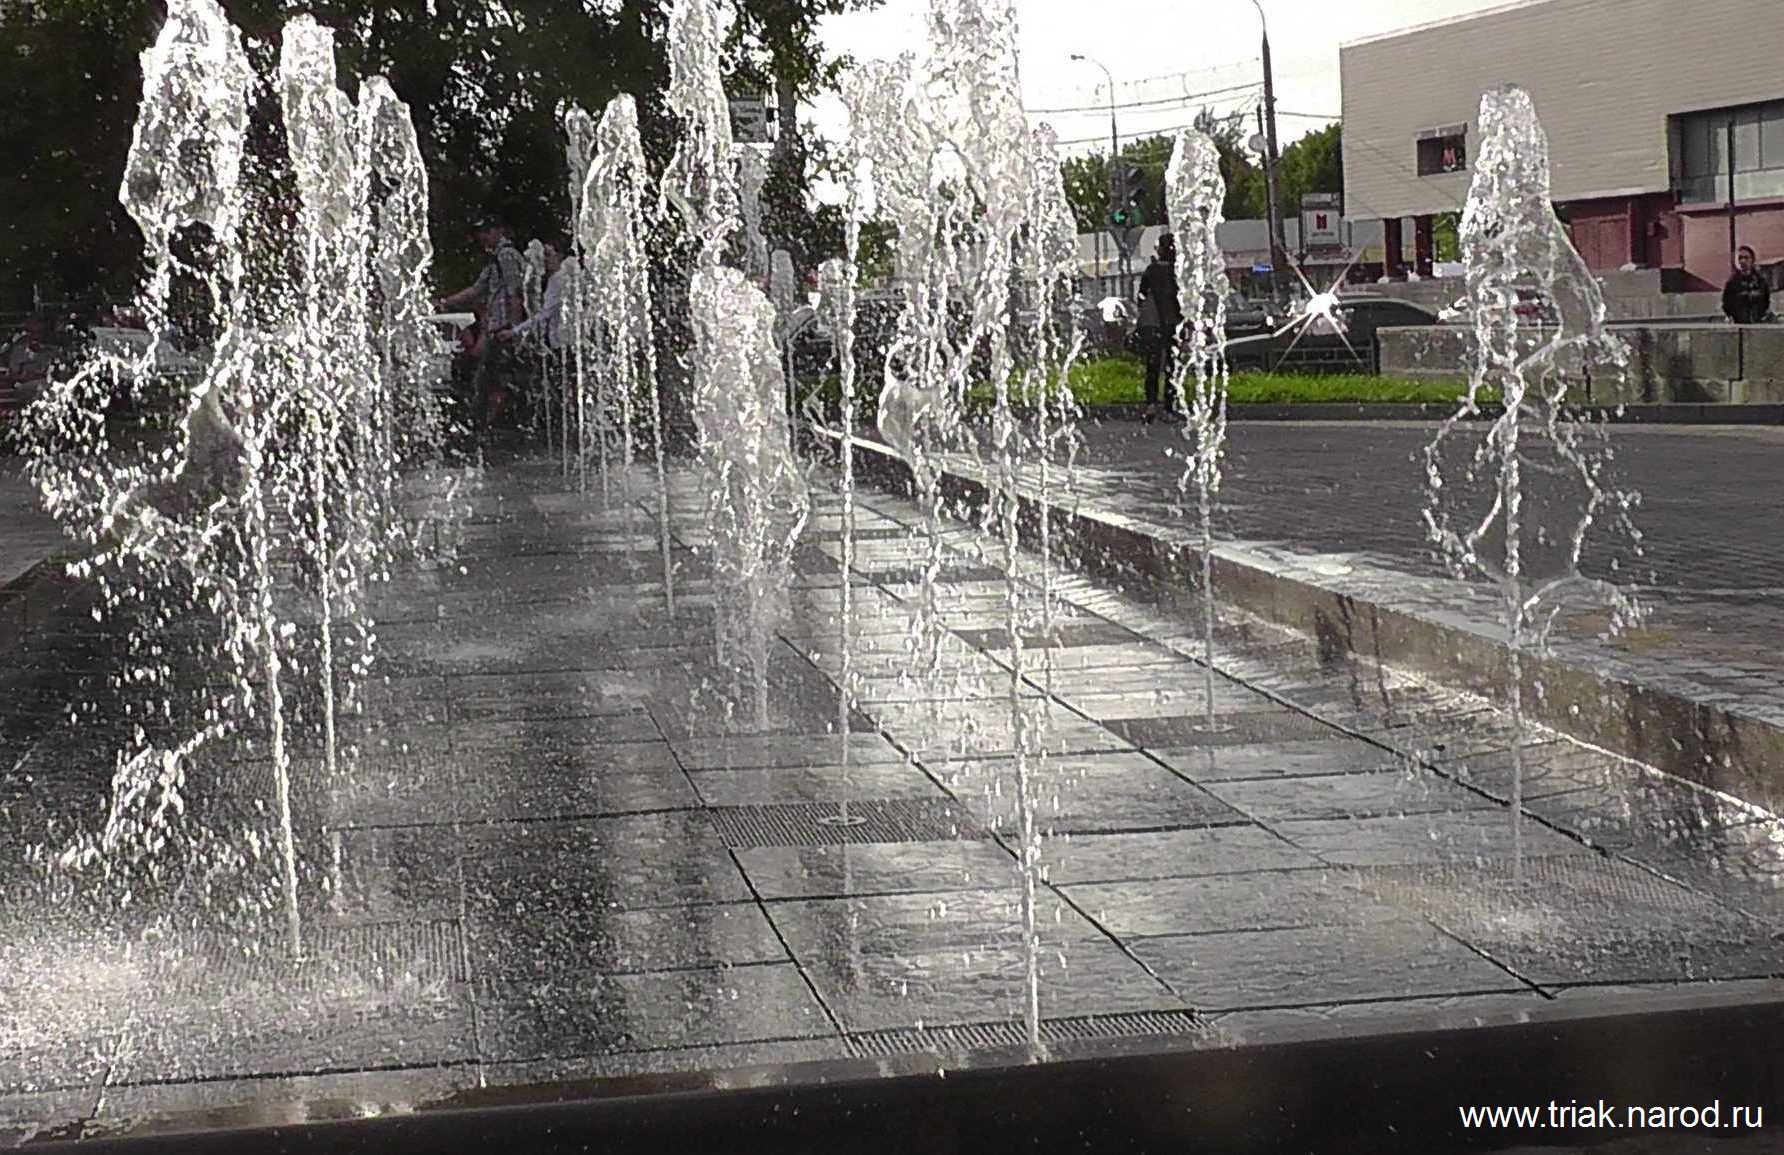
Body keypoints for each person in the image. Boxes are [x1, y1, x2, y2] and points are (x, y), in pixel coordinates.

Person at [437, 216, 527, 432]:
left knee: (491, 378)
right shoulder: (495, 259)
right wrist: (444, 302)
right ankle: (488, 424)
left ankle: (494, 426)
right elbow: (477, 289)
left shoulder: (506, 256)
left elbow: (515, 293)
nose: (482, 237)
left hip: (503, 329)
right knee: (486, 377)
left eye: (486, 232)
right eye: (480, 233)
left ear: (499, 231)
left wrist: (514, 330)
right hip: (497, 328)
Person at [1136, 233, 1183, 422]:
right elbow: (1179, 300)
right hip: (1171, 324)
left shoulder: (1151, 270)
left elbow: (1141, 296)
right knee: (1171, 366)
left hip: (1153, 324)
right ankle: (1169, 407)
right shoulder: (1175, 271)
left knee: (1152, 366)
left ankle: (1151, 405)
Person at [1723, 245, 1771, 325]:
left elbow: (1766, 302)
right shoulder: (1732, 283)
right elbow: (1726, 304)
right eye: (1740, 258)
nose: (1743, 261)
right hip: (1739, 326)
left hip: (1758, 325)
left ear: (1752, 260)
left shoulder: (1761, 282)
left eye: (1746, 258)